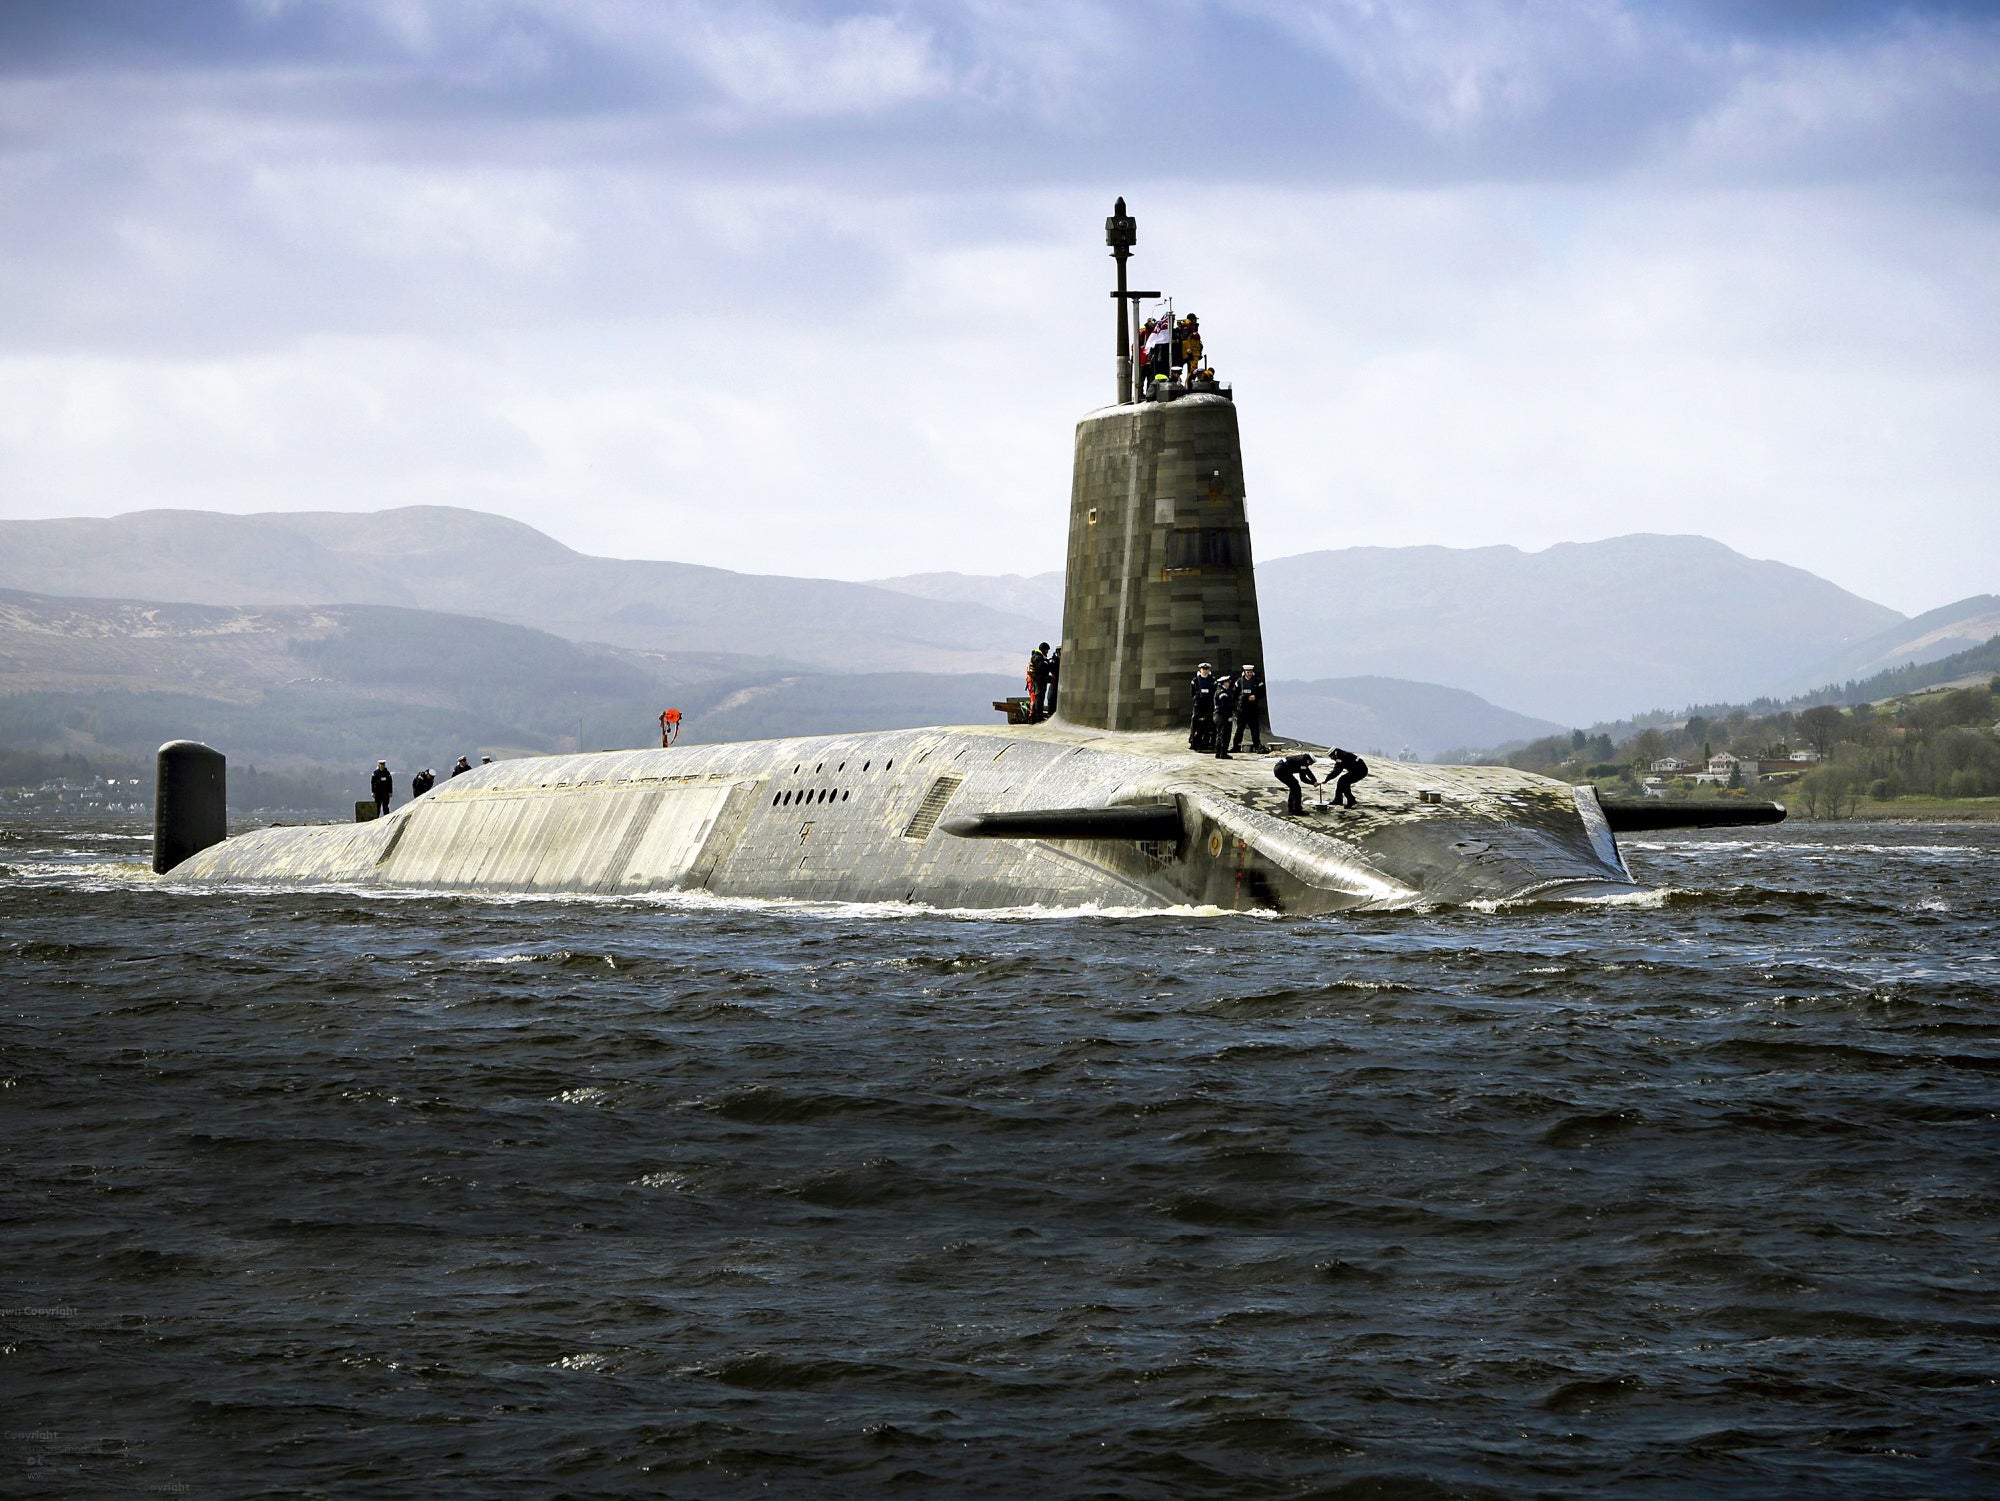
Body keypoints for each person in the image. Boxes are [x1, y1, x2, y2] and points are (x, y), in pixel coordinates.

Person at [1231, 664, 1266, 753]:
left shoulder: (1257, 681)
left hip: (1253, 709)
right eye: (1248, 672)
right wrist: (1235, 706)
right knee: (1240, 728)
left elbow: (1263, 693)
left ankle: (1257, 745)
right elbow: (1234, 694)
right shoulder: (1239, 681)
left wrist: (1256, 696)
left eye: (1250, 672)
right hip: (1242, 709)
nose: (1249, 674)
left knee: (1254, 729)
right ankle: (1236, 746)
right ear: (1244, 672)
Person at [1188, 663, 1217, 750]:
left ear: (1208, 670)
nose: (1205, 671)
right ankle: (1193, 741)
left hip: (1209, 705)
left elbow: (1215, 692)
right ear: (1200, 670)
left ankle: (1209, 742)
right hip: (1199, 706)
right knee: (1195, 723)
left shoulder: (1212, 680)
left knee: (1209, 723)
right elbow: (1192, 693)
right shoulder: (1195, 680)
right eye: (1203, 669)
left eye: (1206, 669)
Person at [1027, 643, 1053, 722]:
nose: (1047, 652)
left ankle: (1037, 716)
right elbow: (1042, 669)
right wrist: (1048, 663)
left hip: (1040, 681)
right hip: (1039, 681)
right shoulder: (1037, 657)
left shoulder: (1039, 657)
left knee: (1039, 698)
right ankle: (1038, 717)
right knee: (1039, 698)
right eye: (1046, 650)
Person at [1212, 675, 1236, 759]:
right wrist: (1229, 716)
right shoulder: (1223, 693)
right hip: (1223, 716)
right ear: (1224, 683)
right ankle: (1223, 752)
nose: (1228, 683)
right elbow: (1224, 707)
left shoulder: (1219, 691)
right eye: (1227, 682)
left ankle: (1218, 752)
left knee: (1219, 734)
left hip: (1218, 716)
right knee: (1225, 735)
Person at [1045, 646, 1061, 716]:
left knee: (1052, 697)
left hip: (1056, 681)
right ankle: (1051, 713)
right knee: (1051, 698)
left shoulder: (1054, 661)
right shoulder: (1054, 661)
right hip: (1055, 681)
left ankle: (1051, 713)